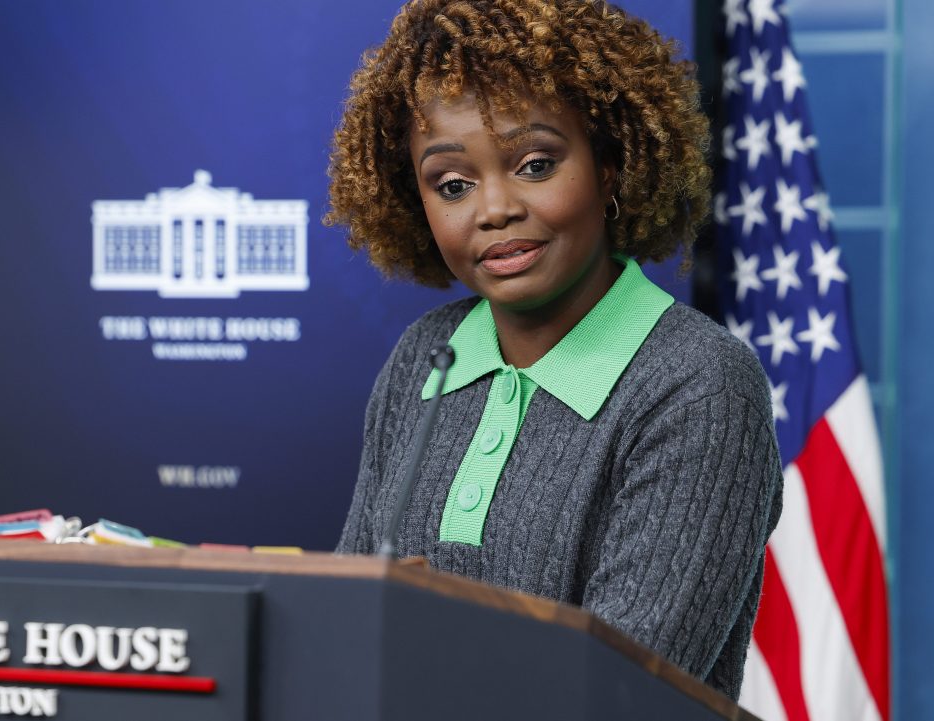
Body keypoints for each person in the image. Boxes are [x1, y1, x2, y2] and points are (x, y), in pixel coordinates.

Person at [326, 0, 783, 700]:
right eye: (452, 184)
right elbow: (348, 629)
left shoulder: (700, 384)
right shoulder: (428, 356)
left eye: (536, 164)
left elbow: (622, 688)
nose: (494, 208)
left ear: (611, 163)